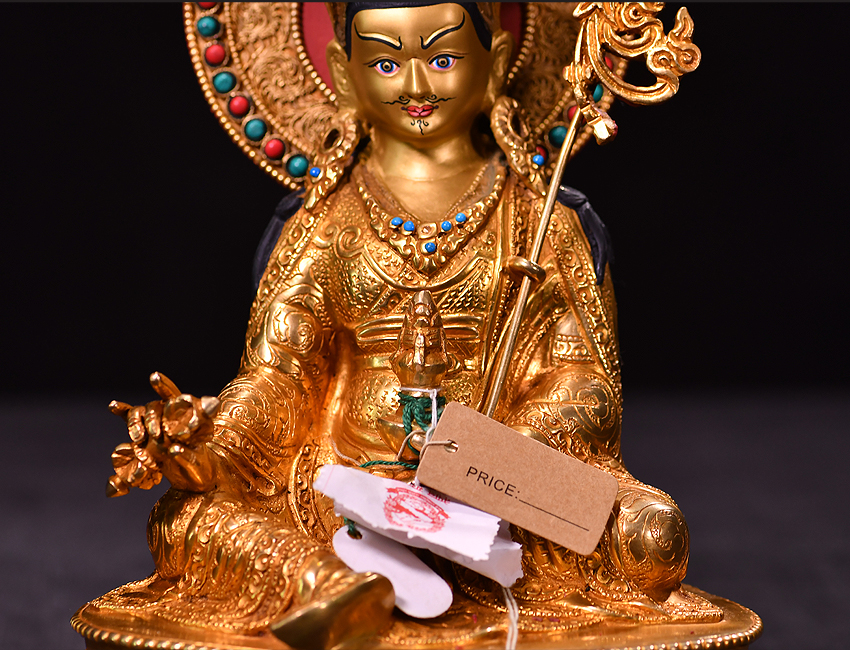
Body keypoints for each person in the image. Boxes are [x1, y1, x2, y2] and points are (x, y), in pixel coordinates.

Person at [88, 4, 721, 648]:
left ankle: (362, 581)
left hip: (499, 487)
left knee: (651, 531)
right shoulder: (320, 224)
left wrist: (487, 457)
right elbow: (278, 380)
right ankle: (328, 581)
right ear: (343, 75)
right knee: (185, 515)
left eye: (443, 58)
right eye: (386, 64)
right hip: (339, 487)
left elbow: (584, 385)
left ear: (497, 65)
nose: (416, 86)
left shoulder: (544, 221)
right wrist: (211, 442)